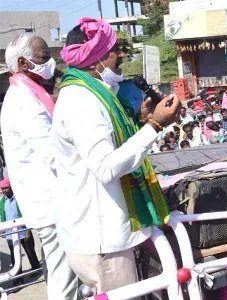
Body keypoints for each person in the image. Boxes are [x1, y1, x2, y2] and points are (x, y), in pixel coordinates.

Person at [54, 18, 181, 294]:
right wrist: (154, 126)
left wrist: (143, 121)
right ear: (94, 58)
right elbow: (105, 166)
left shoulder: (95, 94)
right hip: (102, 241)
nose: (121, 55)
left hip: (106, 237)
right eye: (114, 50)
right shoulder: (83, 101)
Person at [1, 33, 78, 299]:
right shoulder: (24, 101)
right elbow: (54, 153)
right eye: (44, 58)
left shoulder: (29, 93)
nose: (51, 63)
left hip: (52, 201)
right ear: (23, 63)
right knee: (63, 278)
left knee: (68, 275)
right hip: (51, 204)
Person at [0, 178, 41, 285]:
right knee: (14, 257)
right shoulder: (2, 201)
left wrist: (28, 231)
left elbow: (27, 215)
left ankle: (36, 269)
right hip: (10, 235)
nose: (3, 191)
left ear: (11, 187)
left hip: (23, 232)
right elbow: (1, 215)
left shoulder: (20, 199)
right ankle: (18, 280)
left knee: (30, 252)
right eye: (2, 189)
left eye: (5, 188)